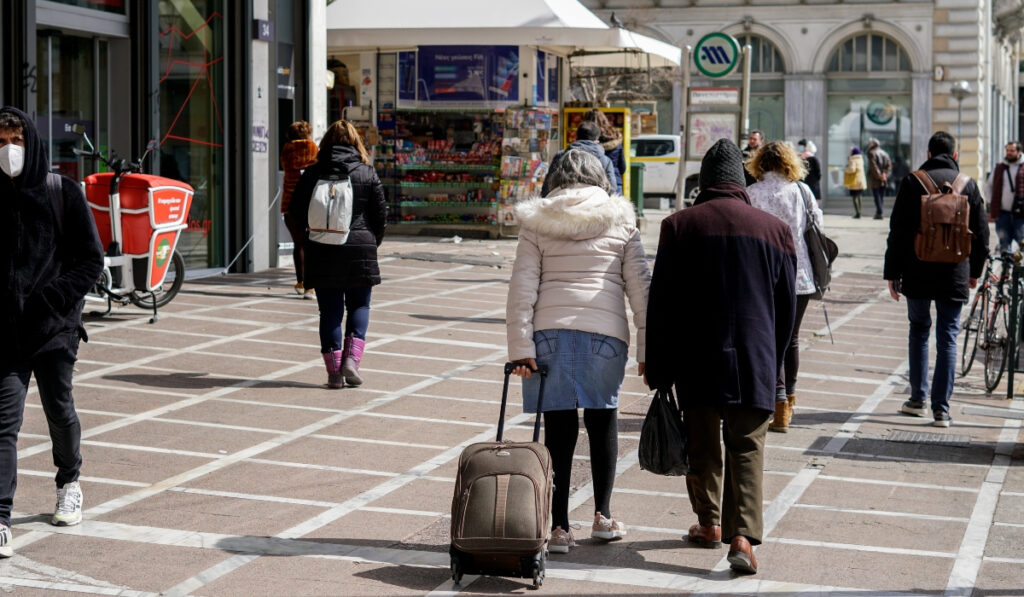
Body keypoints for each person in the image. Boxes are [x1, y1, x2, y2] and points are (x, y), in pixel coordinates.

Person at [645, 139, 797, 574]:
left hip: (697, 357)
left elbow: (663, 303)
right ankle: (743, 540)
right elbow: (786, 308)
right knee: (747, 447)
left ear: (705, 181)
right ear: (741, 180)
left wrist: (659, 366)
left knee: (703, 444)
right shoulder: (775, 230)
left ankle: (709, 523)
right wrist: (776, 356)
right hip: (755, 357)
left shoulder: (679, 225)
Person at [507, 149, 650, 554]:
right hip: (605, 335)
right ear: (600, 178)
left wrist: (520, 347)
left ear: (554, 178)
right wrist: (648, 348)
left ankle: (559, 527)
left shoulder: (538, 222)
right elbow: (641, 289)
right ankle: (603, 516)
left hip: (548, 334)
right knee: (604, 421)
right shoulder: (621, 219)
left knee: (559, 430)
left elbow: (522, 290)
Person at [0, 107, 104, 557]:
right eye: (2, 139)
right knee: (4, 424)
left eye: (17, 140)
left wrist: (51, 299)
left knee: (58, 410)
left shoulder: (61, 191)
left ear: (33, 142)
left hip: (54, 329)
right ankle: (1, 517)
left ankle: (70, 481)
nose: (9, 149)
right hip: (5, 334)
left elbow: (90, 261)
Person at [884, 131, 989, 428]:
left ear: (929, 154)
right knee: (948, 337)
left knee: (918, 330)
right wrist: (974, 272)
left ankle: (917, 399)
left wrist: (892, 273)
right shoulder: (968, 184)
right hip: (955, 271)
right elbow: (982, 235)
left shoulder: (912, 181)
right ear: (954, 155)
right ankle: (941, 409)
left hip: (916, 270)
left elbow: (898, 232)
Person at [288, 120, 387, 389]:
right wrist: (369, 244)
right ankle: (351, 362)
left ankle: (334, 374)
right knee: (359, 306)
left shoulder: (311, 173)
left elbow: (294, 214)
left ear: (326, 143)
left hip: (322, 250)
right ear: (356, 143)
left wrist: (307, 243)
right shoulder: (367, 173)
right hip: (360, 247)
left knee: (329, 312)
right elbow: (380, 217)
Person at [747, 141, 823, 433]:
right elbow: (818, 228)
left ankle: (774, 400)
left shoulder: (751, 194)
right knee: (790, 338)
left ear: (760, 163)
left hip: (761, 275)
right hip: (798, 274)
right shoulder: (802, 192)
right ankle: (787, 402)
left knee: (767, 338)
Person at [281, 120, 320, 299]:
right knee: (311, 244)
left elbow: (284, 167)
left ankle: (301, 282)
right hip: (310, 202)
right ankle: (310, 288)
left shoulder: (287, 150)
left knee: (298, 244)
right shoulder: (313, 148)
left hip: (290, 203)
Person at [541, 121, 617, 197]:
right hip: (594, 205)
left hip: (564, 203)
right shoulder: (605, 160)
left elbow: (547, 187)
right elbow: (611, 189)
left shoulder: (561, 156)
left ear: (576, 138)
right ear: (596, 141)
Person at [985, 141, 1024, 252]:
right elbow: (989, 187)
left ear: (1019, 152)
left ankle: (1019, 268)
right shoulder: (999, 167)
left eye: (1012, 151)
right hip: (1003, 214)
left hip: (1021, 215)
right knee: (1004, 244)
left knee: (1022, 241)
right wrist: (991, 202)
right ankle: (1006, 268)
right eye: (1007, 150)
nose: (1009, 153)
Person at [583, 108, 625, 194]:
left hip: (592, 183)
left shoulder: (585, 140)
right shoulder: (615, 138)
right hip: (615, 183)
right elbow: (622, 167)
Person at [867, 138, 892, 219]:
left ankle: (879, 212)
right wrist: (885, 175)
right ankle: (879, 212)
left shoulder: (871, 153)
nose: (869, 144)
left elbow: (873, 166)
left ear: (874, 144)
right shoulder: (885, 153)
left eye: (870, 143)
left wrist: (880, 175)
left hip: (876, 179)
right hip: (883, 178)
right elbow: (889, 165)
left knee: (877, 195)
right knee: (880, 196)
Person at [844, 146, 868, 218]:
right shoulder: (860, 159)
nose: (850, 152)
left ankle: (858, 213)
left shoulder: (852, 159)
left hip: (854, 181)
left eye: (851, 151)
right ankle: (859, 212)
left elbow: (852, 169)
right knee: (859, 196)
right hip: (860, 181)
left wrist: (846, 169)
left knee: (854, 197)